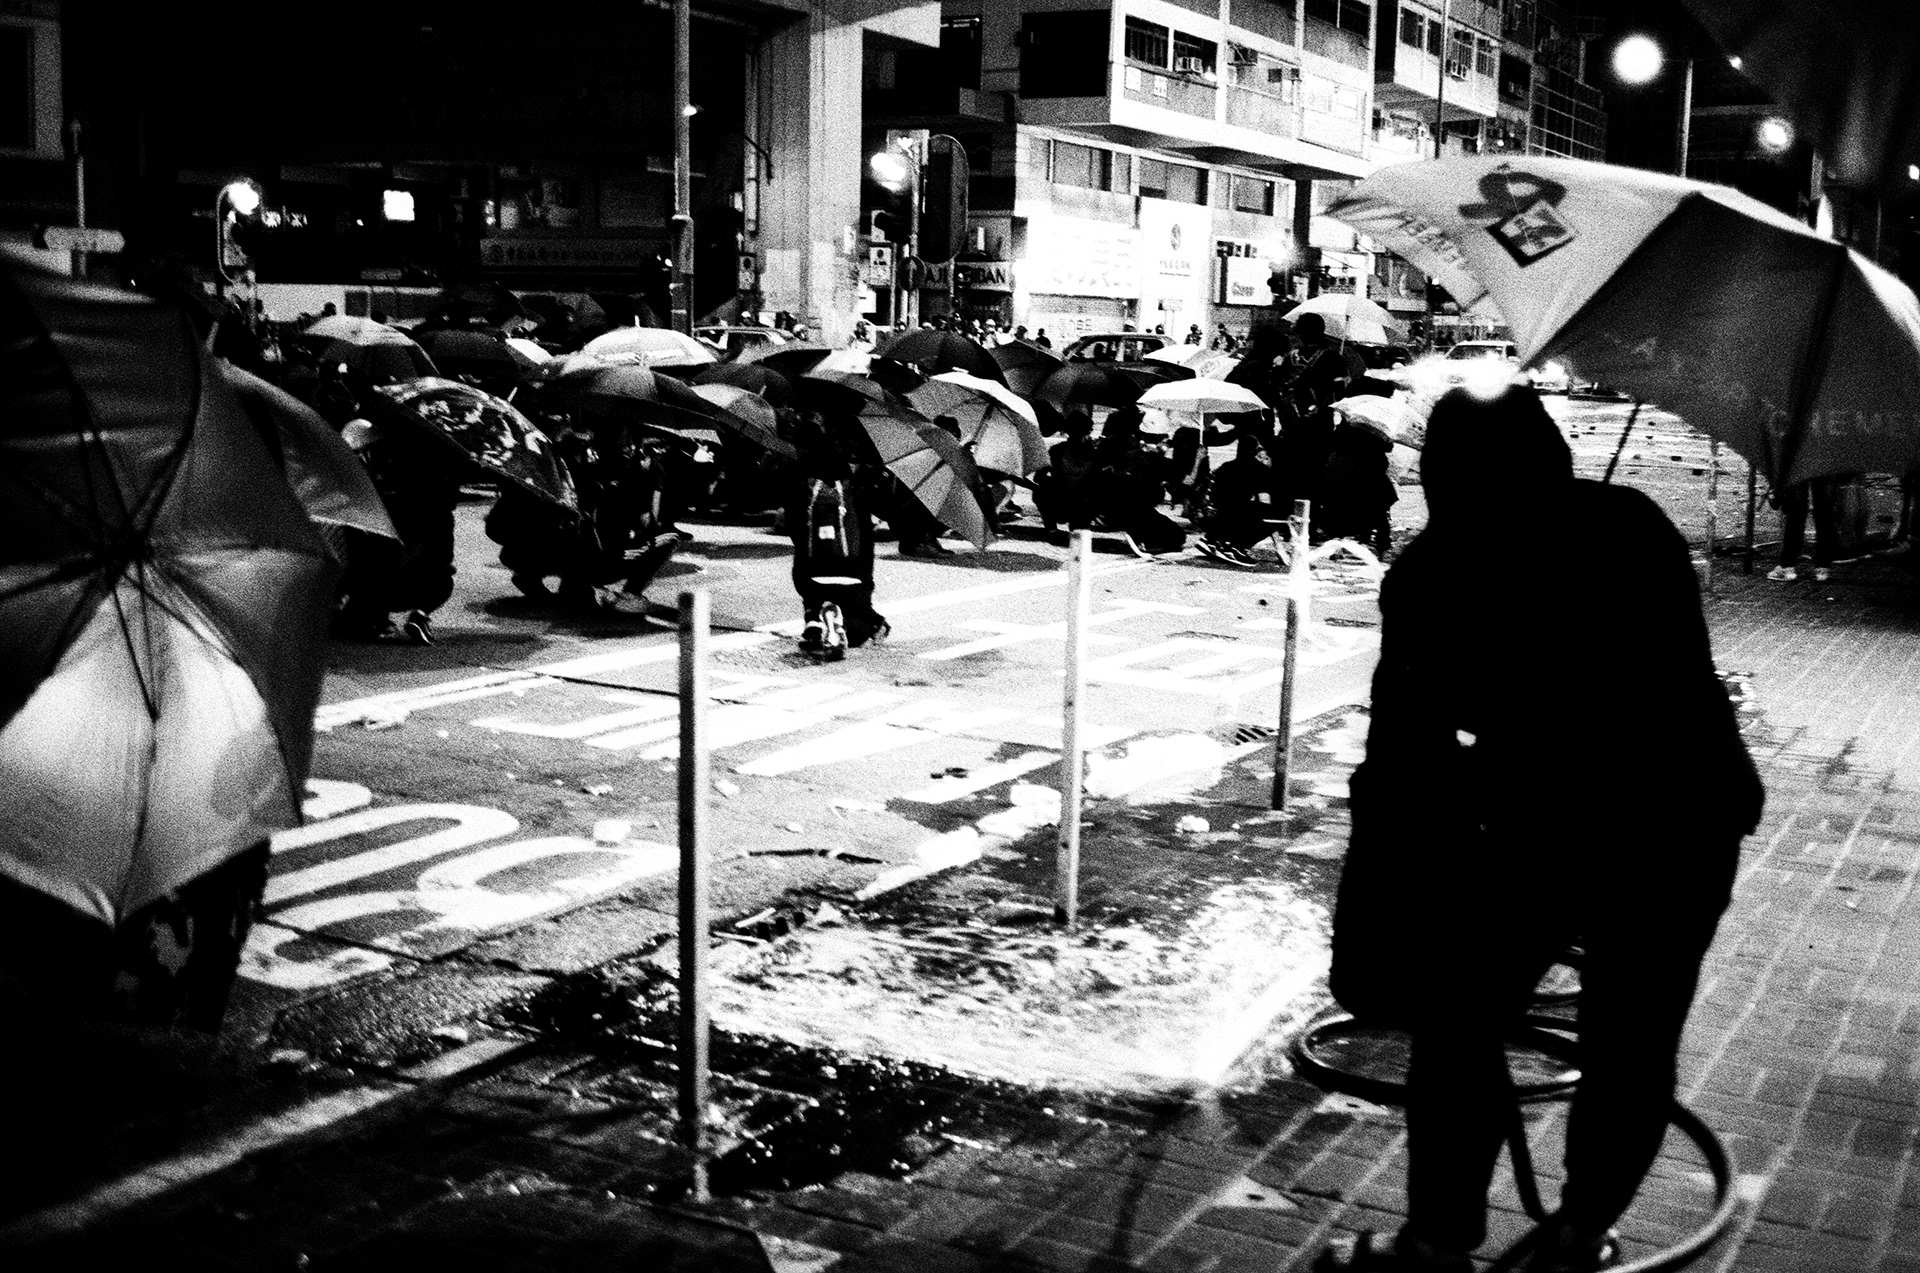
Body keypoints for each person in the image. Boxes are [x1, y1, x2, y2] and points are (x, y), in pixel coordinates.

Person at [1321, 386, 1764, 1273]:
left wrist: (1372, 904)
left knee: (1459, 1023)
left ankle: (1439, 1242)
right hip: (1684, 813)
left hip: (1555, 825)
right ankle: (1576, 1236)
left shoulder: (1436, 571)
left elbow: (1405, 753)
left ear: (1441, 474)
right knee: (1634, 1037)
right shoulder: (1631, 521)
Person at [334, 413, 464, 644]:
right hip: (371, 579)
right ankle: (380, 616)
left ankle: (382, 615)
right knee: (347, 623)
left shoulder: (404, 489)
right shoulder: (351, 490)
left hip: (386, 577)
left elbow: (435, 550)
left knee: (440, 577)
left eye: (380, 453)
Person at [788, 413, 888, 658]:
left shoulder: (802, 487)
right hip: (853, 575)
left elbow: (795, 532)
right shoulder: (855, 492)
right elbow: (866, 551)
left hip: (812, 575)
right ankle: (839, 624)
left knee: (811, 584)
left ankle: (815, 619)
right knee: (860, 630)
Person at [1094, 406, 1184, 555]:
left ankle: (1137, 533)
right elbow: (1181, 490)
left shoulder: (1127, 455)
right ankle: (1146, 540)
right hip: (1136, 511)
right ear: (1164, 439)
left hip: (1112, 509)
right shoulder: (1163, 464)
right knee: (1178, 536)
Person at [1196, 434, 1282, 566]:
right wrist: (1279, 546)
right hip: (1236, 515)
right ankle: (1238, 547)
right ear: (1254, 452)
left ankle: (1213, 539)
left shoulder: (1226, 466)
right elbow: (1265, 503)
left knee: (1235, 508)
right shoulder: (1260, 470)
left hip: (1214, 516)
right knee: (1275, 515)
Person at [1033, 410, 1099, 540]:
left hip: (1067, 499)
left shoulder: (1058, 450)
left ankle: (1053, 528)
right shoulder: (1094, 453)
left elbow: (1038, 476)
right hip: (1074, 500)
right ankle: (1076, 526)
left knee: (1042, 489)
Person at [1769, 476, 1844, 581]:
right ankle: (1823, 567)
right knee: (1824, 508)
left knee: (1796, 507)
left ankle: (1788, 566)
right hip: (1824, 466)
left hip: (1798, 465)